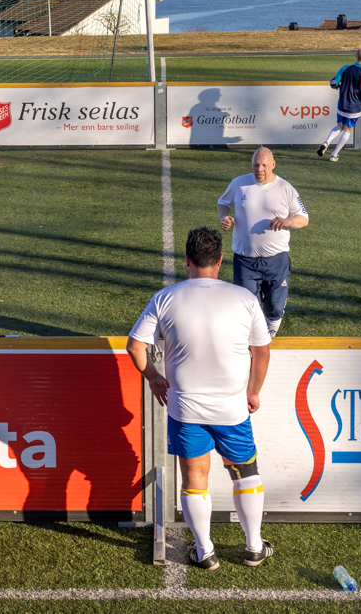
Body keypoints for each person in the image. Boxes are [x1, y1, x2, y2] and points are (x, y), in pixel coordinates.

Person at [127, 227, 273, 571]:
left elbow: (135, 347)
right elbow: (262, 352)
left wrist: (154, 378)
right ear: (220, 261)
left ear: (187, 260)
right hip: (232, 407)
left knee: (194, 477)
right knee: (245, 473)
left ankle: (205, 552)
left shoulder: (165, 298)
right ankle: (254, 547)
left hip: (185, 408)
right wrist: (253, 392)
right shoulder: (244, 298)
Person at [217, 147, 309, 336]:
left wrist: (288, 221)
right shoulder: (238, 183)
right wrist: (223, 218)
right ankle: (256, 342)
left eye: (264, 165)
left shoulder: (286, 188)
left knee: (275, 307)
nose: (259, 169)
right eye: (256, 165)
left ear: (273, 165)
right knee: (248, 308)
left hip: (276, 260)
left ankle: (270, 336)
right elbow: (223, 203)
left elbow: (304, 218)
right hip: (245, 260)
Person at [318, 48, 361, 162]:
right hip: (354, 108)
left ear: (355, 56)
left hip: (342, 104)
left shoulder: (345, 68)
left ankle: (326, 142)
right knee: (348, 129)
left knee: (340, 125)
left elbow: (333, 82)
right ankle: (334, 155)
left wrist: (337, 86)